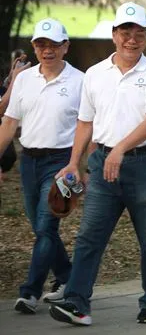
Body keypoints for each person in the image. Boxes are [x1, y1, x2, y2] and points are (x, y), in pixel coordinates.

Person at [48, 2, 146, 326]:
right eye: (126, 32)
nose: (132, 39)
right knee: (90, 235)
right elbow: (85, 122)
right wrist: (74, 163)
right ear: (114, 35)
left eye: (139, 33)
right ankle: (76, 302)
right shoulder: (94, 74)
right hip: (102, 164)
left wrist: (119, 150)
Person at [0, 19, 80, 314]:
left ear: (65, 47)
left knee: (47, 227)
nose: (47, 51)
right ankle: (69, 277)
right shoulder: (24, 79)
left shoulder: (80, 81)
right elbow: (10, 123)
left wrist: (80, 165)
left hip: (60, 163)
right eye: (41, 44)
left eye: (54, 45)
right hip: (29, 161)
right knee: (40, 227)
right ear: (34, 47)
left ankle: (30, 292)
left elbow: (89, 126)